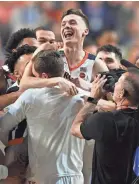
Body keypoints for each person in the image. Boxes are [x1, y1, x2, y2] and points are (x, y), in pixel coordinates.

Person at [20, 9, 109, 184]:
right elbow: (25, 83)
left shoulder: (96, 64)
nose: (66, 26)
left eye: (73, 23)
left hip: (83, 135)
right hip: (49, 130)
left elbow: (114, 104)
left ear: (85, 31)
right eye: (63, 24)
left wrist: (86, 90)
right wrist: (56, 80)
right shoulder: (51, 56)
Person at [0, 50, 85, 184]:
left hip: (39, 177)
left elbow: (3, 126)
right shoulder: (82, 97)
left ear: (44, 76)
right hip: (73, 177)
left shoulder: (30, 96)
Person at [71, 67, 139, 184]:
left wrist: (94, 98)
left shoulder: (104, 120)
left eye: (118, 82)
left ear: (122, 93)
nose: (115, 84)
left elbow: (75, 129)